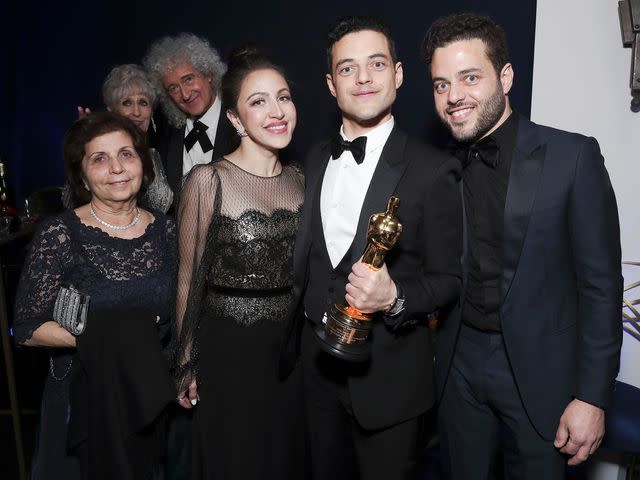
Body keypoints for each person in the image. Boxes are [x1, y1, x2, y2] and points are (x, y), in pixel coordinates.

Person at [421, 13, 623, 479]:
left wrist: (592, 396)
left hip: (542, 374)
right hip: (458, 367)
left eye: (470, 77)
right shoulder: (436, 170)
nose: (454, 97)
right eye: (440, 84)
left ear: (505, 77)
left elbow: (600, 288)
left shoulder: (573, 157)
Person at [279, 16, 462, 480]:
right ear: (330, 83)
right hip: (315, 372)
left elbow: (451, 280)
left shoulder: (435, 169)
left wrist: (395, 297)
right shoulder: (315, 158)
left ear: (398, 75)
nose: (362, 78)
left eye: (376, 64)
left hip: (391, 384)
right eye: (347, 68)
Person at [14, 112, 177, 479]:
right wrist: (109, 335)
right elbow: (26, 327)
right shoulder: (59, 234)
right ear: (82, 175)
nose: (116, 168)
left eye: (126, 154)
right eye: (99, 159)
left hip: (147, 399)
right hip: (80, 400)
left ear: (143, 164)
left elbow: (180, 314)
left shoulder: (168, 231)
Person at [171, 47, 306, 479]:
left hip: (293, 353)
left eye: (283, 97)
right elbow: (188, 278)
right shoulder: (208, 180)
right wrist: (185, 360)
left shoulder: (303, 181)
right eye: (258, 101)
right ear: (234, 119)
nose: (276, 111)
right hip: (229, 354)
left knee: (287, 459)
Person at [143, 33, 239, 208]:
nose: (185, 94)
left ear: (208, 74)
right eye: (173, 88)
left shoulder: (239, 121)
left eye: (188, 79)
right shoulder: (166, 134)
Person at [72, 64, 173, 213]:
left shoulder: (158, 155)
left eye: (143, 102)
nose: (137, 112)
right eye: (127, 103)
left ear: (151, 111)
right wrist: (82, 146)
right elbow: (73, 202)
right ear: (112, 110)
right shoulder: (100, 157)